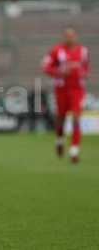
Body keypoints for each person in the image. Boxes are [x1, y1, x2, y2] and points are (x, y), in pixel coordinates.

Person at [42, 27, 89, 164]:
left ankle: (74, 150)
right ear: (64, 37)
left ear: (76, 36)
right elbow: (45, 67)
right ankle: (59, 140)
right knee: (61, 118)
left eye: (72, 35)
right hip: (61, 90)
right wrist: (59, 72)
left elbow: (86, 68)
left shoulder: (83, 51)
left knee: (76, 118)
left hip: (77, 90)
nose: (70, 38)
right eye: (67, 35)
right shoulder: (56, 51)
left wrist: (82, 74)